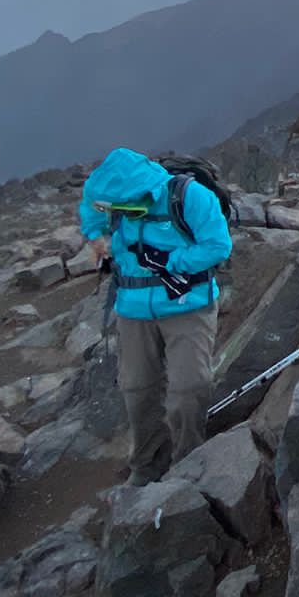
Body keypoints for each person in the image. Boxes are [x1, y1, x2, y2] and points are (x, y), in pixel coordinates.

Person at [78, 147, 234, 485]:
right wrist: (96, 238)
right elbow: (90, 211)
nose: (123, 216)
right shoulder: (103, 192)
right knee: (137, 388)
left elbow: (218, 246)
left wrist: (170, 263)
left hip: (188, 305)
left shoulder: (191, 197)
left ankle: (188, 462)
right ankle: (147, 466)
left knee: (189, 388)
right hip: (132, 307)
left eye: (129, 210)